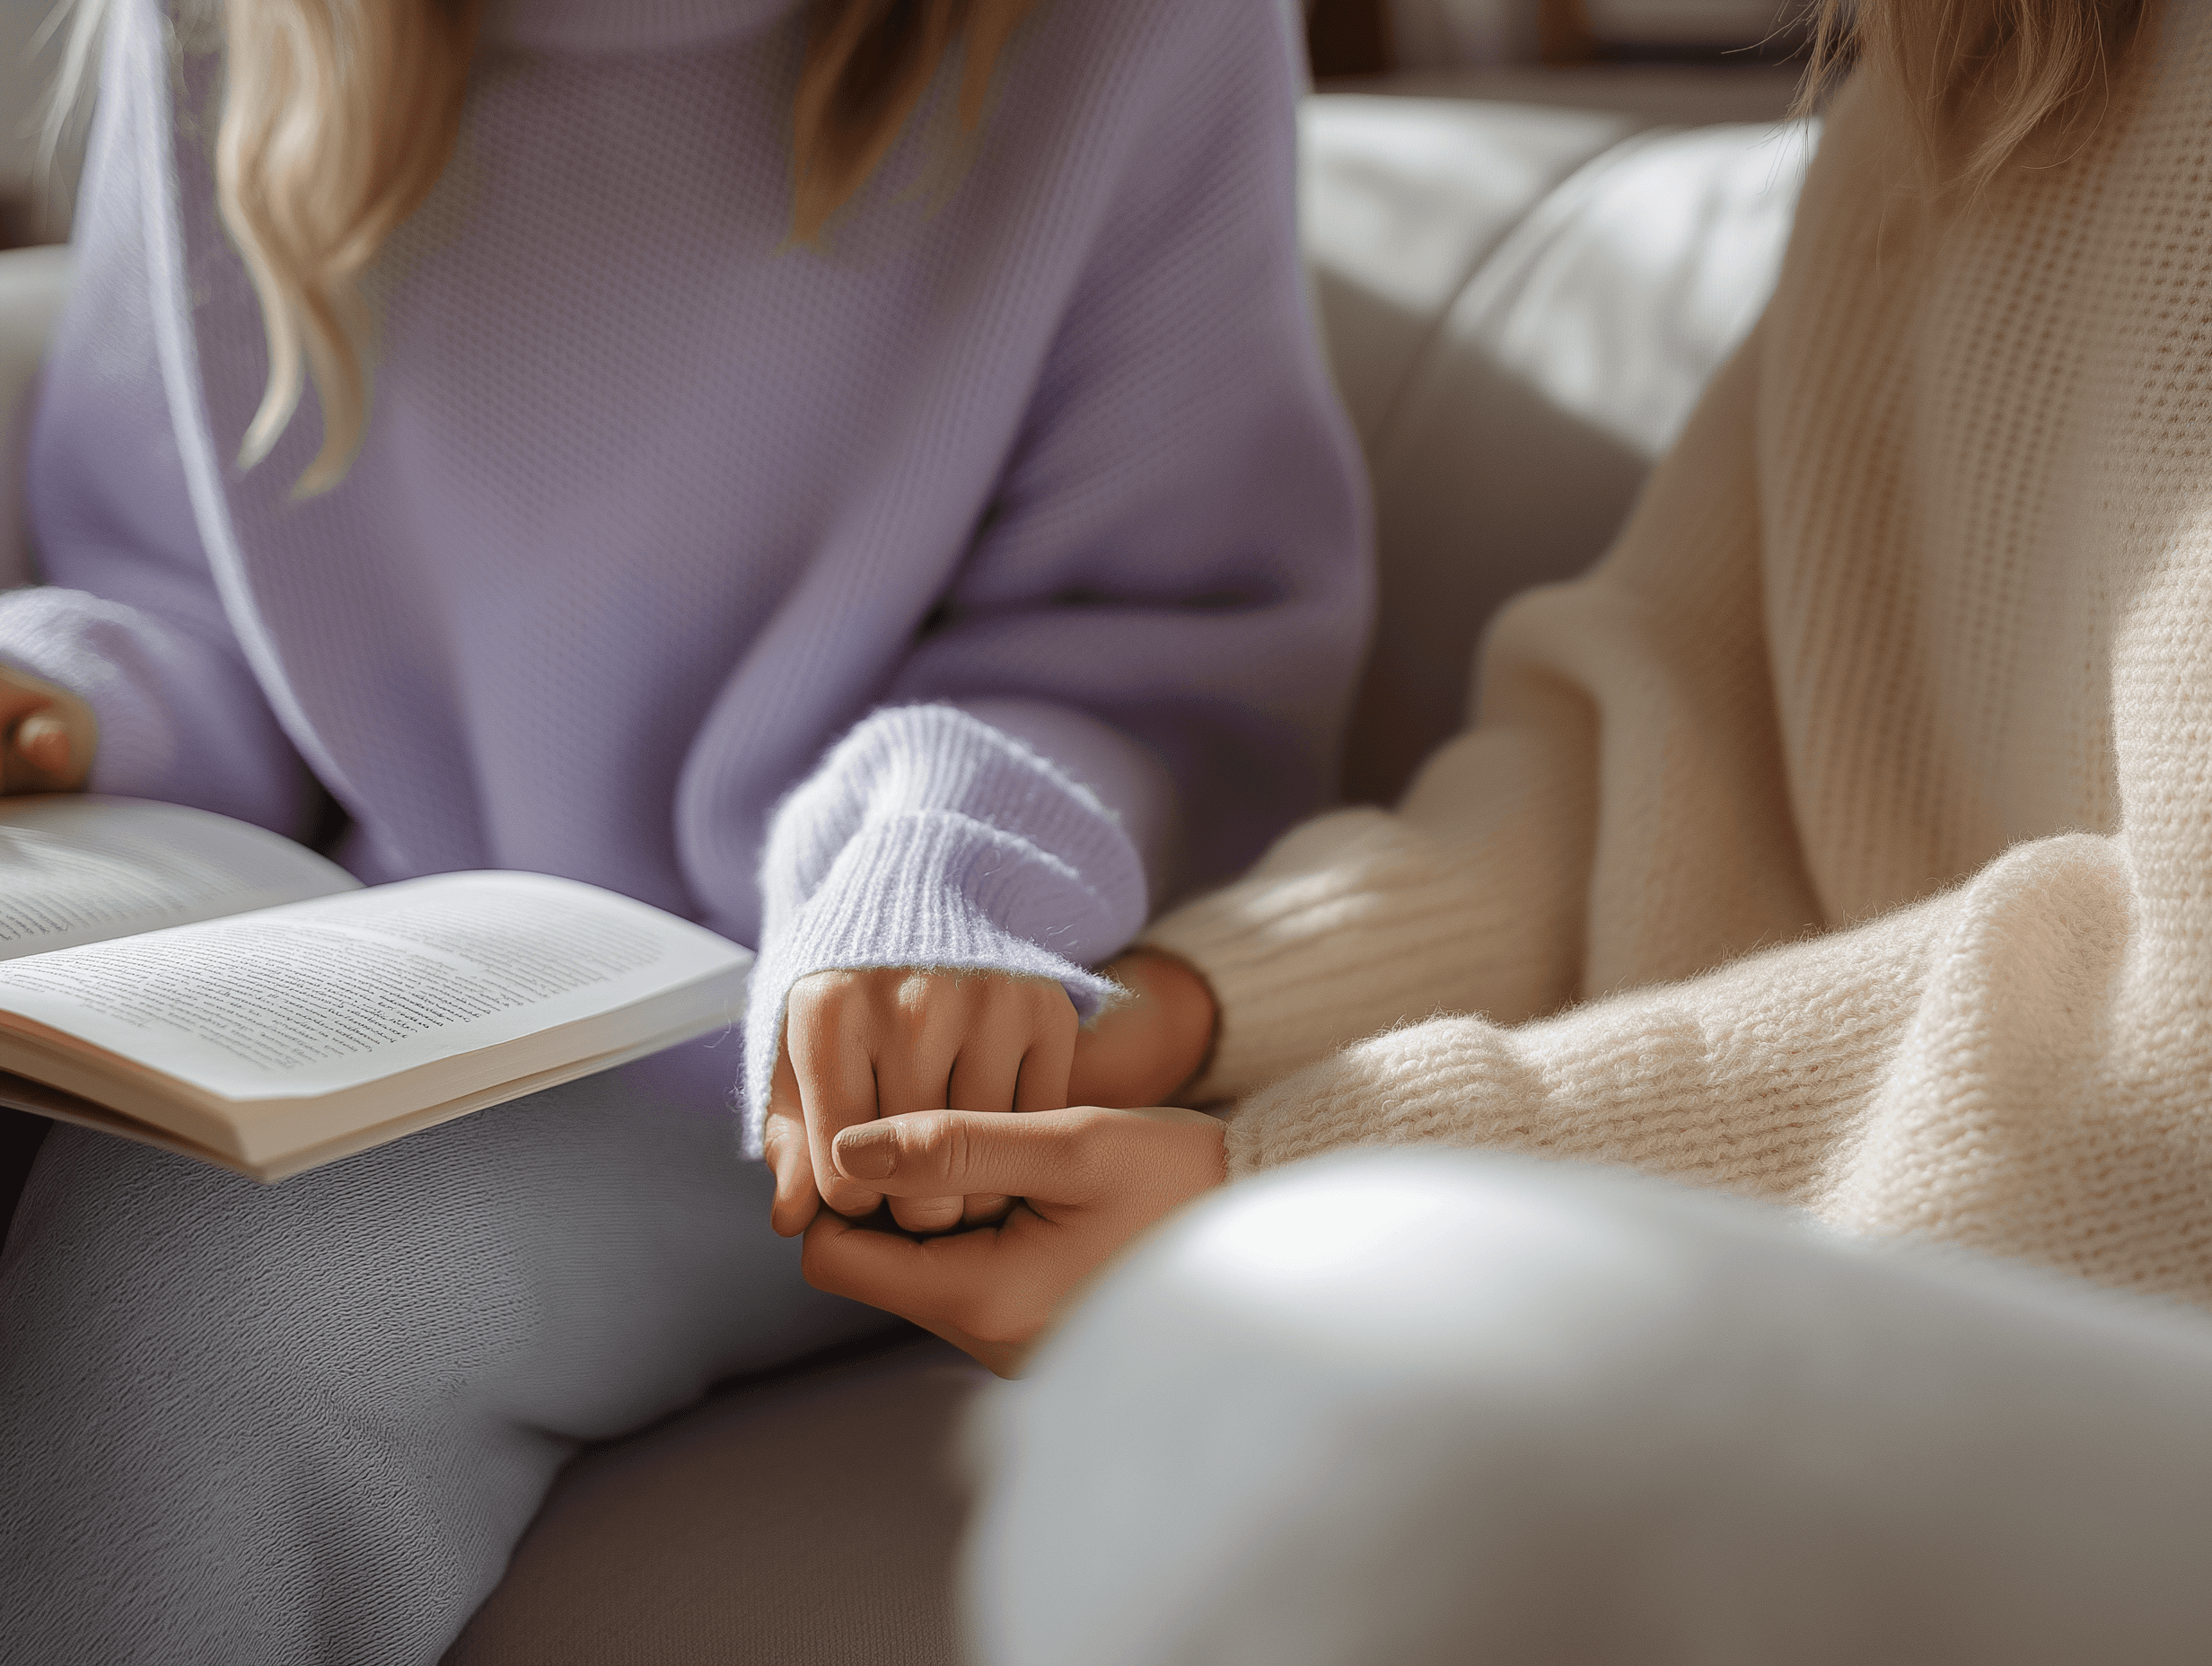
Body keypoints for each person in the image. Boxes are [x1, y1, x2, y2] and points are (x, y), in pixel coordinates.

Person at [800, 0, 2212, 1654]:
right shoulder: (1990, 63)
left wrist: (1297, 1174)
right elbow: (1665, 745)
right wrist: (1187, 1006)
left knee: (1369, 1425)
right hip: (1942, 1338)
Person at [0, 0, 1368, 1660]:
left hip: (804, 1064)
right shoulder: (225, 31)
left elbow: (1156, 657)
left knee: (227, 1291)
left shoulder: (1138, 36)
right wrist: (78, 699)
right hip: (368, 983)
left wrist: (935, 874)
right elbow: (187, 591)